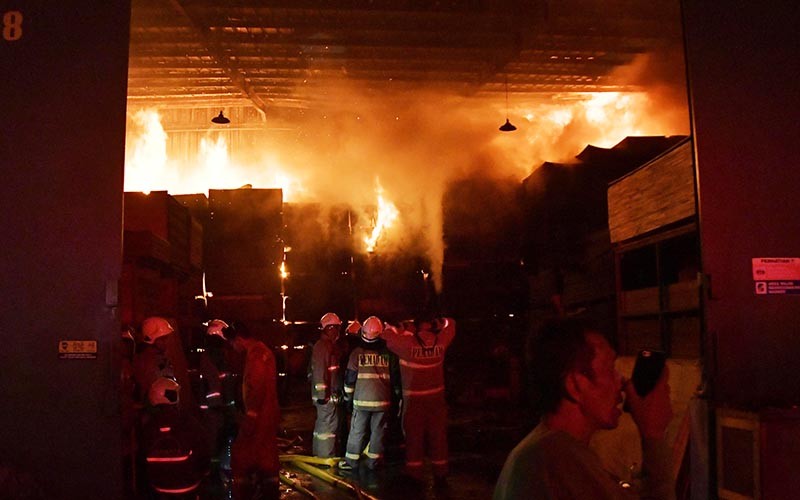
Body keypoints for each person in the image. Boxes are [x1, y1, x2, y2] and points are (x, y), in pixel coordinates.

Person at [493, 318, 674, 500]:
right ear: (574, 385)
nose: (622, 381)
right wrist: (653, 433)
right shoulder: (558, 457)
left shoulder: (539, 452)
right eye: (610, 368)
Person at [383, 316, 456, 483]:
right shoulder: (440, 341)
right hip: (436, 401)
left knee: (413, 438)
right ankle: (441, 472)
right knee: (438, 437)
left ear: (416, 327)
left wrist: (401, 327)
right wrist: (440, 322)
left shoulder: (407, 344)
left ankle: (414, 474)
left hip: (414, 401)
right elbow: (451, 324)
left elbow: (386, 336)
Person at [227, 321, 281, 500]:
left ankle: (245, 494)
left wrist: (250, 417)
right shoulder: (264, 352)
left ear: (239, 339)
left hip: (258, 418)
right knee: (267, 458)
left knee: (241, 457)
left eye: (232, 343)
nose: (233, 348)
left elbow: (256, 387)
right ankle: (269, 492)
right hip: (268, 416)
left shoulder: (256, 356)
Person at [341, 316, 400, 471]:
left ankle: (351, 462)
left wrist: (347, 399)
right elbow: (395, 379)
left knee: (357, 431)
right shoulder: (389, 354)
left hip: (361, 401)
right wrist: (397, 398)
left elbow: (349, 380)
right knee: (378, 432)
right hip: (382, 401)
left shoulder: (356, 353)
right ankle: (374, 462)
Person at [140, 377, 211, 499]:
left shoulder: (149, 427)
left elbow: (142, 461)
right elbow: (203, 452)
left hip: (158, 490)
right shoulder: (188, 422)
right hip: (188, 489)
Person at [309, 312, 345, 457]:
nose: (338, 332)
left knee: (324, 427)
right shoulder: (323, 347)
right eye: (336, 328)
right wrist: (323, 395)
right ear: (330, 328)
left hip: (327, 397)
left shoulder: (327, 346)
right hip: (325, 398)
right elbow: (320, 372)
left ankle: (320, 455)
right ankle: (325, 457)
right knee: (327, 429)